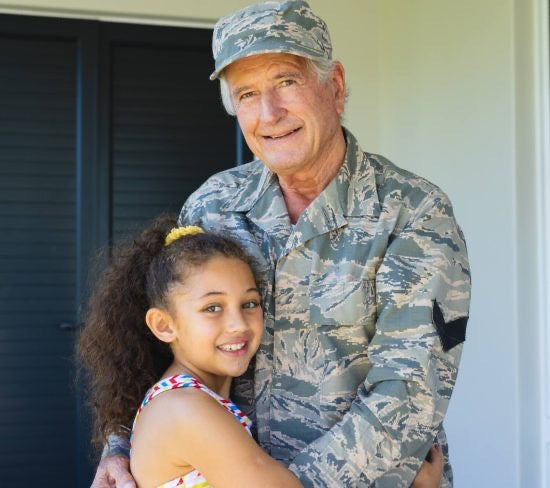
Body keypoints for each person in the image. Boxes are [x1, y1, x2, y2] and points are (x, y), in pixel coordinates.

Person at [91, 1, 470, 487]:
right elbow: (163, 338)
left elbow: (409, 393)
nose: (269, 113)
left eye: (286, 82)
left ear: (334, 86)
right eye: (247, 93)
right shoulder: (214, 204)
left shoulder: (413, 213)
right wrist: (121, 446)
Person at [77, 216, 304, 486]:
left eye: (250, 303)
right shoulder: (184, 410)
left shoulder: (189, 400)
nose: (238, 324)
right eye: (212, 308)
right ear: (164, 325)